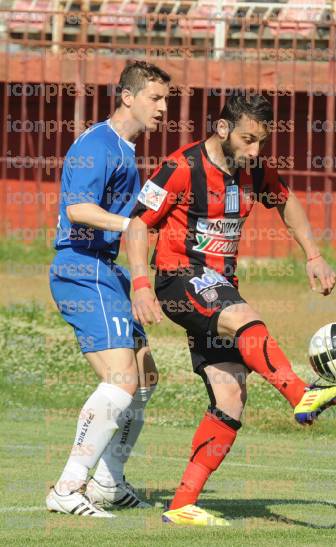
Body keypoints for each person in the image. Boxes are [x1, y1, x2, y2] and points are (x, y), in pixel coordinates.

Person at [125, 91, 336, 526]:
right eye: (248, 140)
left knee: (231, 395)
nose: (254, 151)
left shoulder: (254, 169)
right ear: (223, 128)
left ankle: (182, 505)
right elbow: (139, 224)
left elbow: (286, 201)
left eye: (261, 143)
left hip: (218, 287)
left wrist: (313, 254)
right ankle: (300, 394)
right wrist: (140, 284)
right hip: (179, 278)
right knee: (242, 316)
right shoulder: (180, 167)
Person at [47, 61, 170, 517]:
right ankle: (67, 487)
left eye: (165, 100)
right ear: (127, 96)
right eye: (155, 98)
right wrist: (131, 225)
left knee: (145, 378)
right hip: (82, 268)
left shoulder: (124, 149)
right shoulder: (99, 144)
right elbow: (78, 209)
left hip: (106, 271)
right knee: (120, 384)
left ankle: (108, 482)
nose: (163, 108)